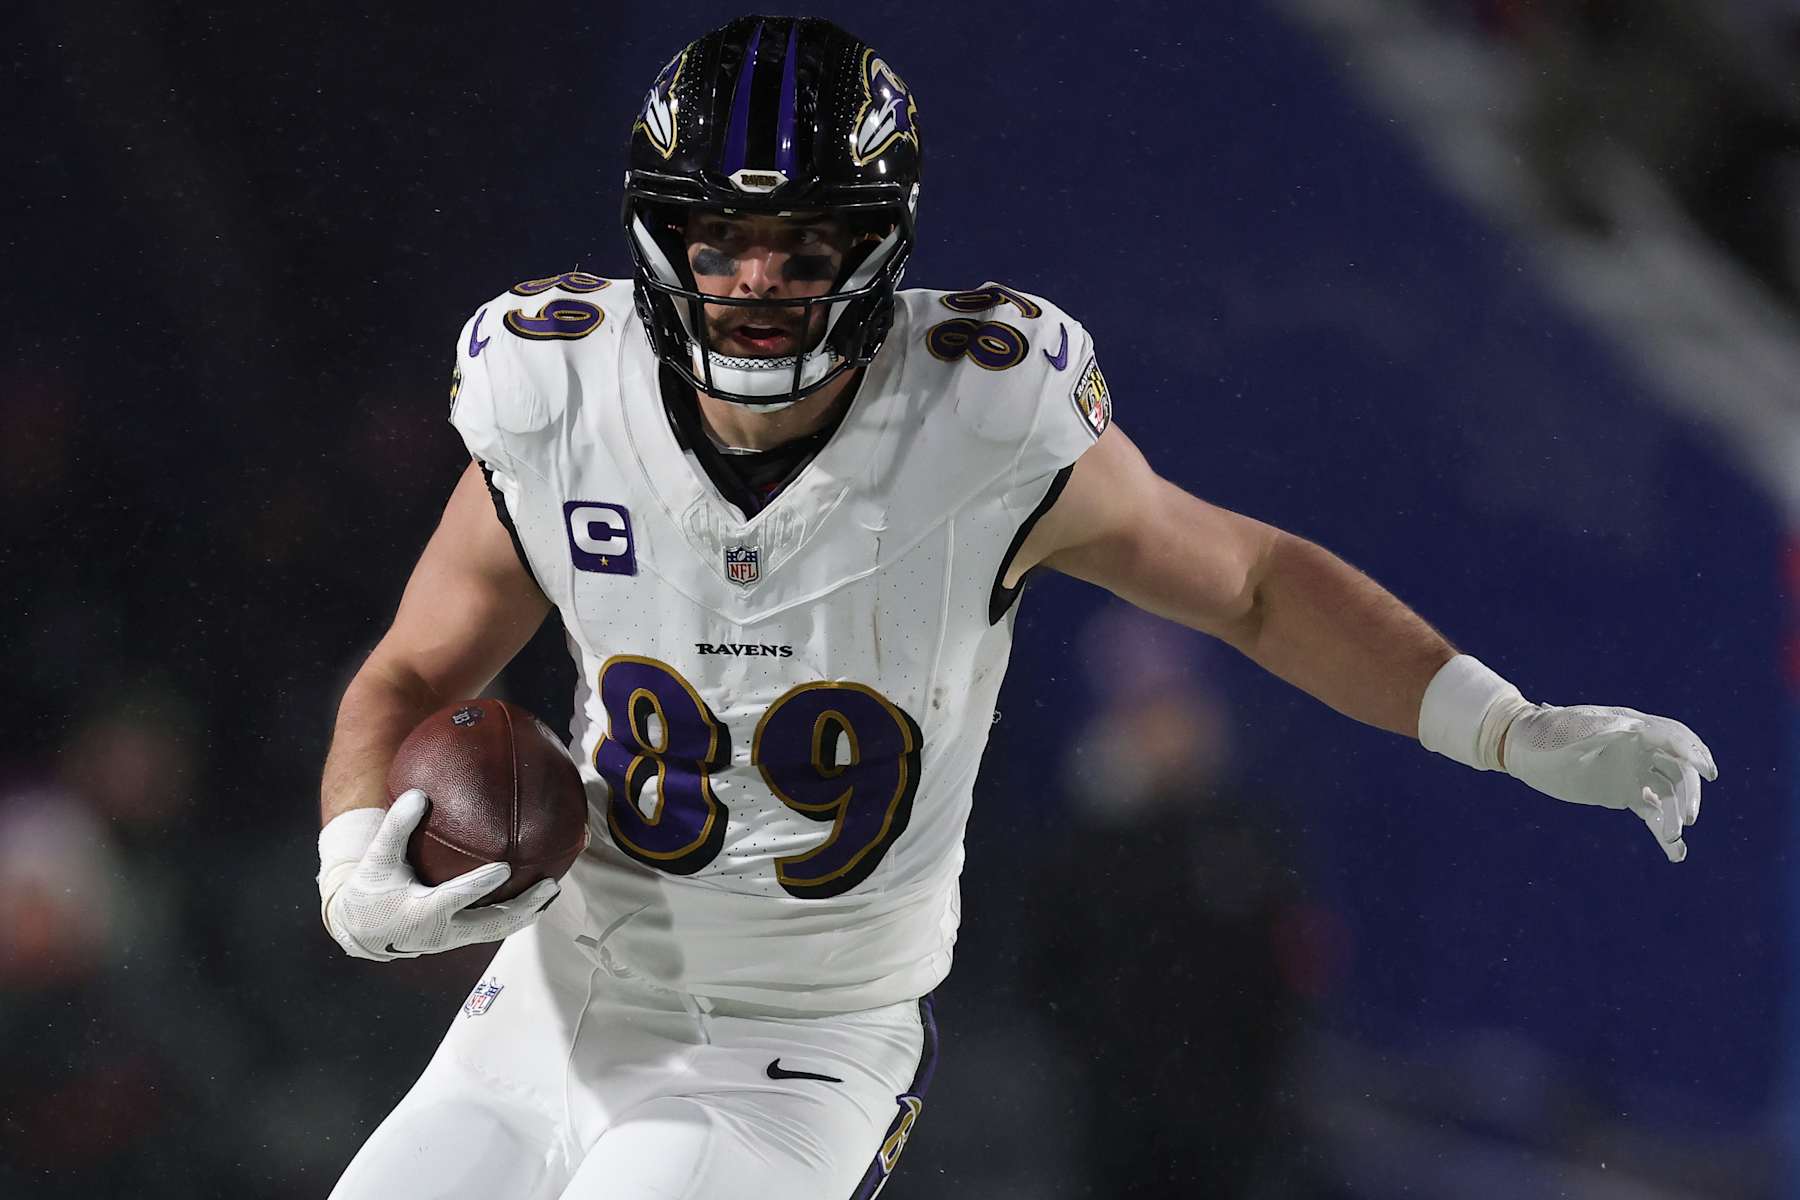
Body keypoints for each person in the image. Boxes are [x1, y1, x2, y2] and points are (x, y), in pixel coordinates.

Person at [314, 15, 1717, 1200]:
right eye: (719, 237)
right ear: (653, 235)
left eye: (803, 247)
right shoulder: (555, 387)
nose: (753, 282)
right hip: (551, 993)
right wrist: (348, 853)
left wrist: (1503, 724)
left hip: (799, 1041)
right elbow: (410, 668)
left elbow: (1253, 582)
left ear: (877, 247)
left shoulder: (984, 415)